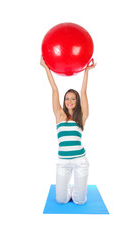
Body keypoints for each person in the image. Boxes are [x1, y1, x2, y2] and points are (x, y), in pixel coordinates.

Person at [40, 56, 96, 205]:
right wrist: (46, 68)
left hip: (80, 161)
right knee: (61, 200)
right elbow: (54, 89)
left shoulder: (81, 117)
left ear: (76, 101)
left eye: (73, 99)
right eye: (67, 99)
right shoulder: (59, 115)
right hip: (63, 162)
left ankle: (77, 192)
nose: (69, 101)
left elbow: (83, 92)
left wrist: (86, 71)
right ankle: (70, 190)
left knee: (80, 201)